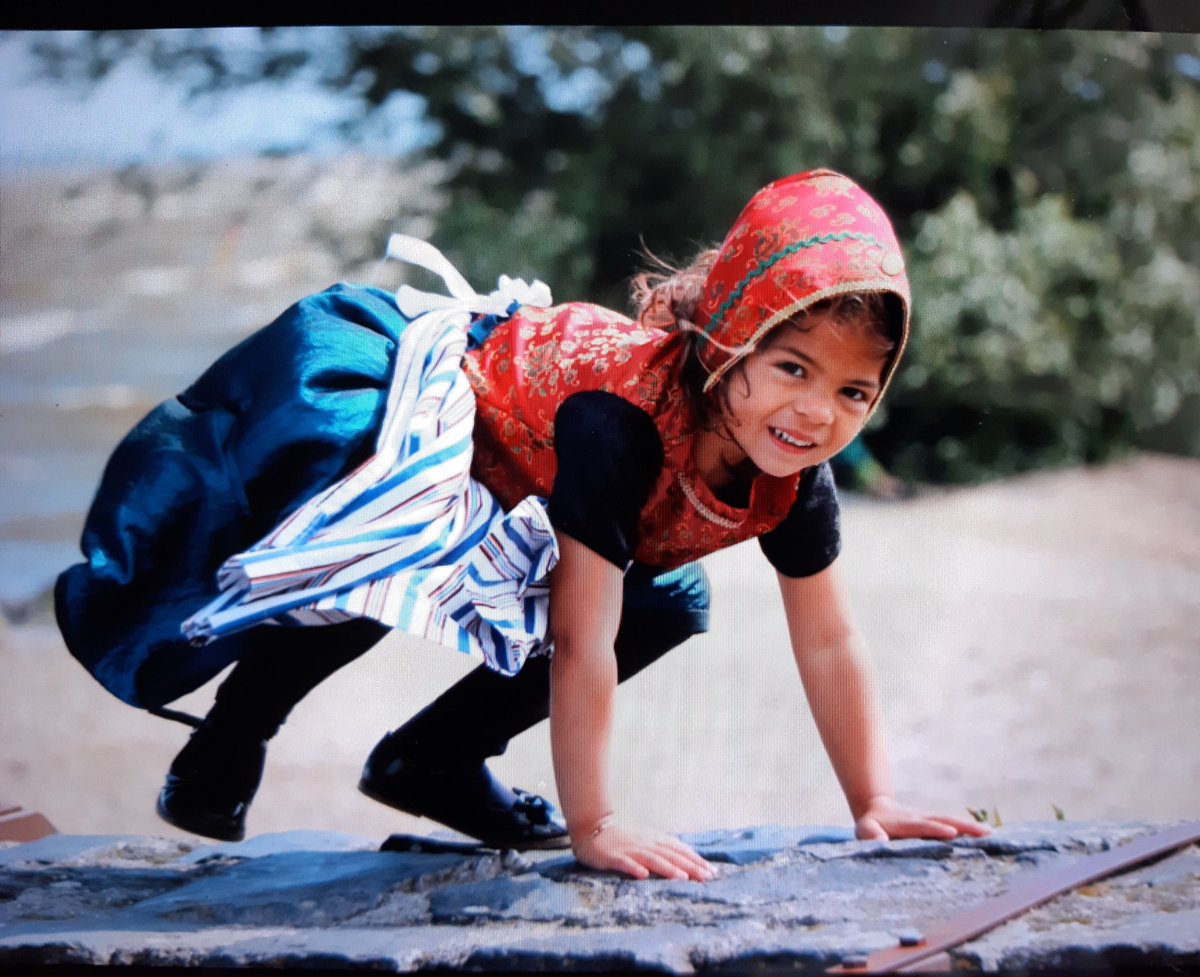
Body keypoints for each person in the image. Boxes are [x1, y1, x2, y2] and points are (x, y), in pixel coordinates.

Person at [55, 169, 988, 882]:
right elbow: (582, 639)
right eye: (792, 368)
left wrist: (875, 800)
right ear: (729, 341)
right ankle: (234, 732)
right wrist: (597, 824)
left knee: (672, 601)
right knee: (389, 557)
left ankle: (431, 759)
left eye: (854, 390)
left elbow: (828, 641)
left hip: (547, 491)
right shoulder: (622, 429)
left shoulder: (795, 477)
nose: (817, 412)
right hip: (463, 425)